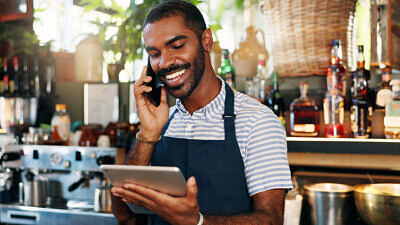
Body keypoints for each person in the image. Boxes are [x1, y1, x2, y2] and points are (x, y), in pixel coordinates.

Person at [111, 1, 293, 225]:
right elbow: (124, 216)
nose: (165, 62)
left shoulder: (257, 121)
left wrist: (197, 222)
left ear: (206, 40)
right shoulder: (157, 125)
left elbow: (271, 220)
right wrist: (148, 132)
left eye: (177, 46)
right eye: (155, 53)